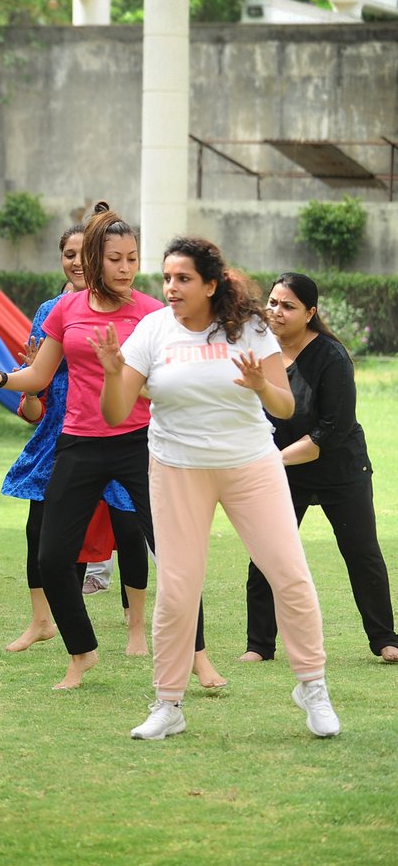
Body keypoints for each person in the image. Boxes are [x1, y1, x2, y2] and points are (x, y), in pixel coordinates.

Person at [0, 204, 223, 691]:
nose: (126, 269)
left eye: (133, 259)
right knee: (53, 558)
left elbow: (175, 378)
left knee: (174, 554)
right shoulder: (66, 310)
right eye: (116, 259)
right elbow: (39, 376)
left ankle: (198, 655)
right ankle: (81, 653)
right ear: (97, 259)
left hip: (141, 442)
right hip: (78, 443)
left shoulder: (152, 313)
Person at [93, 236, 339, 740]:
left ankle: (313, 688)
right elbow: (116, 413)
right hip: (177, 469)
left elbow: (285, 408)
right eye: (166, 278)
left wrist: (260, 386)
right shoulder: (152, 330)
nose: (170, 287)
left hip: (251, 465)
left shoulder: (248, 328)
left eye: (182, 278)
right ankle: (168, 704)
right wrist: (114, 372)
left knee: (290, 575)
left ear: (210, 284)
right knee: (179, 590)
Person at [0, 227, 147, 655]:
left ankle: (135, 625)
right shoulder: (52, 308)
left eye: (84, 254)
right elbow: (36, 389)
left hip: (120, 430)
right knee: (42, 531)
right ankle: (43, 621)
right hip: (61, 434)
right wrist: (16, 382)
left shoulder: (137, 309)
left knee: (129, 527)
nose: (76, 262)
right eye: (68, 254)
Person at [242, 272, 398, 664]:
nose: (276, 312)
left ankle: (385, 639)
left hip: (339, 468)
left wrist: (273, 459)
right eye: (273, 302)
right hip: (284, 472)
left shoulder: (332, 356)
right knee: (265, 555)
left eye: (288, 306)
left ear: (310, 313)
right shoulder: (262, 351)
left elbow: (331, 430)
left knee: (361, 554)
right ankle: (259, 646)